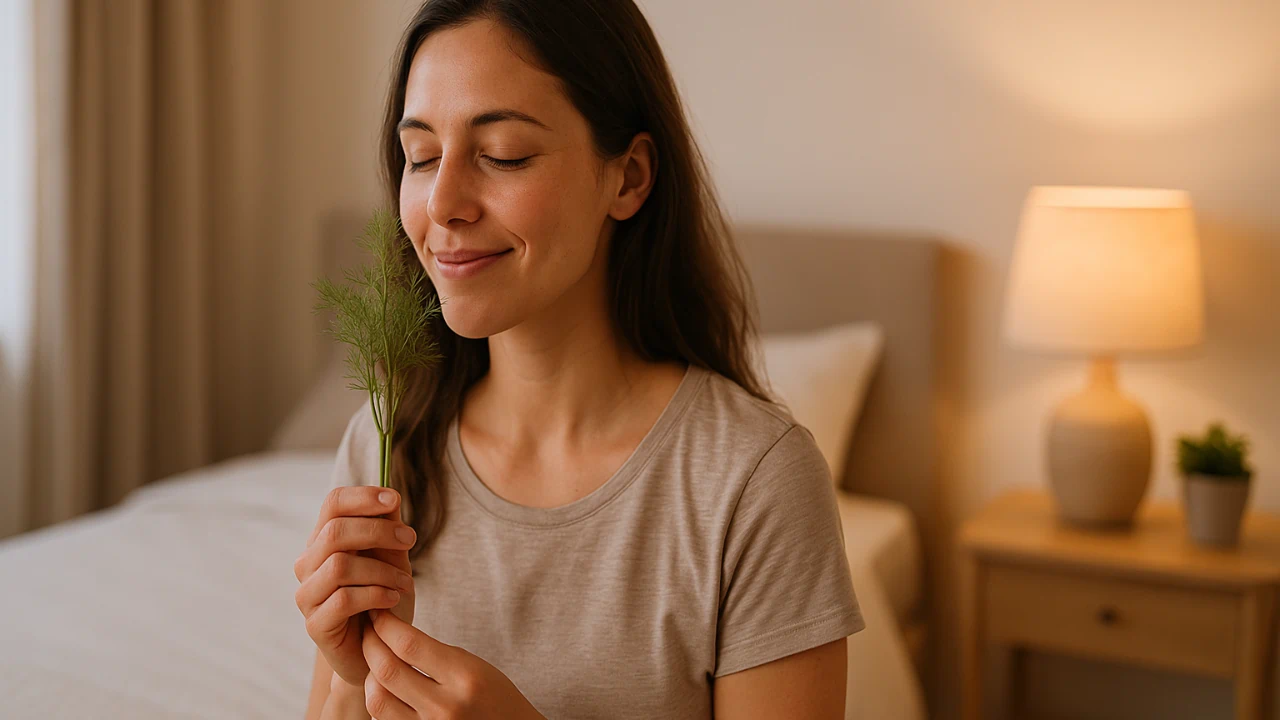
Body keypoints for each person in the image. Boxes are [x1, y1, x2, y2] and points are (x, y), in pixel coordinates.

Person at [293, 1, 862, 717]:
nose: (443, 204)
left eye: (502, 154)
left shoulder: (752, 483)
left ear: (627, 178)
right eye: (421, 157)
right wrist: (350, 674)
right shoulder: (385, 447)